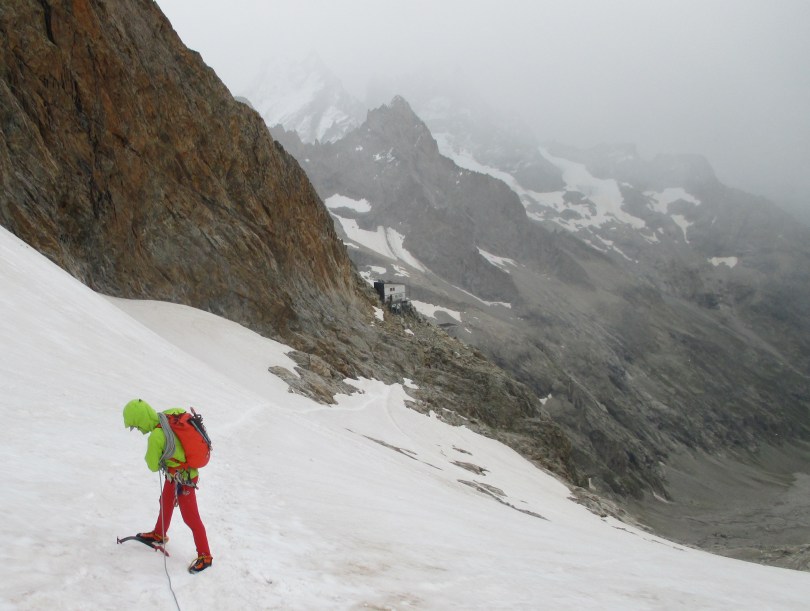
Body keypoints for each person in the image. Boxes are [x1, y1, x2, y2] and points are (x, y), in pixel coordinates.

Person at [123, 398, 213, 573]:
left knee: (190, 517)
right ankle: (159, 534)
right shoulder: (169, 414)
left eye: (137, 426)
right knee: (165, 502)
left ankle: (206, 556)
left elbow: (152, 465)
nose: (139, 431)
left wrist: (162, 453)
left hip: (183, 479)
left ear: (141, 419)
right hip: (178, 475)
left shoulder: (156, 436)